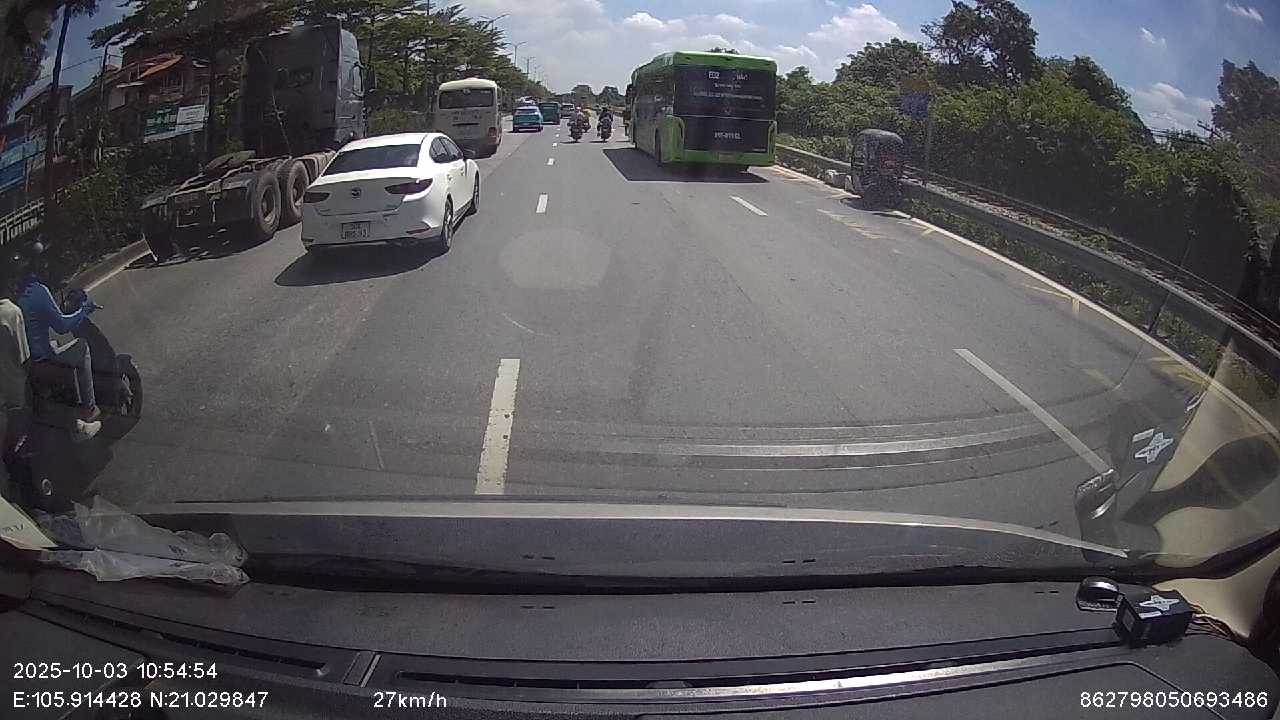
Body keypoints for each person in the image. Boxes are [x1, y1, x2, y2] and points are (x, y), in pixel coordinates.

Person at [14, 240, 100, 423]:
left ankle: (68, 401)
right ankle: (89, 409)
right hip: (43, 363)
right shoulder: (38, 290)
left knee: (54, 343)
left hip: (25, 364)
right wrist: (84, 310)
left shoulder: (16, 294)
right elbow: (62, 326)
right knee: (82, 347)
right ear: (38, 264)